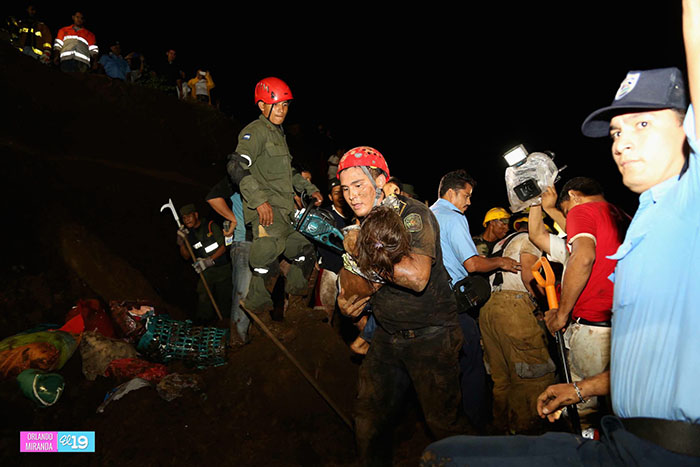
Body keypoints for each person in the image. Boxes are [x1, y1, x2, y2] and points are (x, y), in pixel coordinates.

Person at [421, 3, 700, 464]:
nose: (622, 141)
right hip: (619, 436)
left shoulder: (686, 203)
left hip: (668, 450)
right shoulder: (639, 224)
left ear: (687, 131)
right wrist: (581, 387)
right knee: (449, 454)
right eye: (615, 131)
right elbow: (646, 355)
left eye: (644, 124)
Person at [336, 147, 467, 465]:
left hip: (431, 335)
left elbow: (417, 277)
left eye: (359, 185)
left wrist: (364, 252)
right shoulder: (363, 224)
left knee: (443, 425)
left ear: (380, 180)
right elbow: (355, 279)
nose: (352, 196)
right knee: (368, 419)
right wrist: (346, 302)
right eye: (345, 189)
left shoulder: (412, 214)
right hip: (387, 335)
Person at [430, 170, 520, 431]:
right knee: (472, 365)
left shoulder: (427, 215)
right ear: (451, 193)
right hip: (454, 304)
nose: (469, 202)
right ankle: (476, 427)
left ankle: (446, 424)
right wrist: (501, 261)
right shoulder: (453, 217)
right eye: (466, 196)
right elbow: (472, 263)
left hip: (429, 304)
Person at [229, 77, 322, 315]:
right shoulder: (255, 132)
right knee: (265, 258)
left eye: (285, 105)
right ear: (262, 106)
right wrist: (258, 200)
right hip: (268, 212)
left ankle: (296, 309)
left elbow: (289, 173)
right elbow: (236, 166)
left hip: (285, 212)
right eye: (276, 104)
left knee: (305, 252)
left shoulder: (278, 135)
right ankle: (258, 312)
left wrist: (310, 189)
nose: (282, 110)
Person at [544, 176, 629, 417]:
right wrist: (551, 209)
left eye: (566, 212)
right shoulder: (622, 216)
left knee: (584, 412)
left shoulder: (581, 211)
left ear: (573, 195)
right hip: (623, 327)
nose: (568, 219)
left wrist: (562, 314)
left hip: (593, 331)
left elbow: (582, 257)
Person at [478, 217, 556, 434]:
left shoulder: (502, 243)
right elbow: (529, 275)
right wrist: (546, 307)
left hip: (489, 309)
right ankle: (527, 433)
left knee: (502, 379)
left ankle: (502, 431)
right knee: (533, 375)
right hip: (514, 308)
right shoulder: (530, 239)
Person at [206, 176, 253, 345]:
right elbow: (213, 197)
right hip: (242, 241)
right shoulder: (238, 178)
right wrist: (233, 219)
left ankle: (246, 336)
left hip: (263, 244)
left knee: (253, 293)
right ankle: (237, 341)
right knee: (243, 292)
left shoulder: (264, 177)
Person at [176, 204, 232, 324]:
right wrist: (181, 243)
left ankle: (227, 324)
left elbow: (224, 246)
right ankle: (204, 324)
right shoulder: (189, 235)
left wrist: (210, 260)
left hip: (222, 270)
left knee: (224, 298)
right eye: (184, 218)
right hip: (206, 272)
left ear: (196, 215)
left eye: (189, 216)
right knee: (203, 296)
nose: (187, 220)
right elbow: (186, 256)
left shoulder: (211, 226)